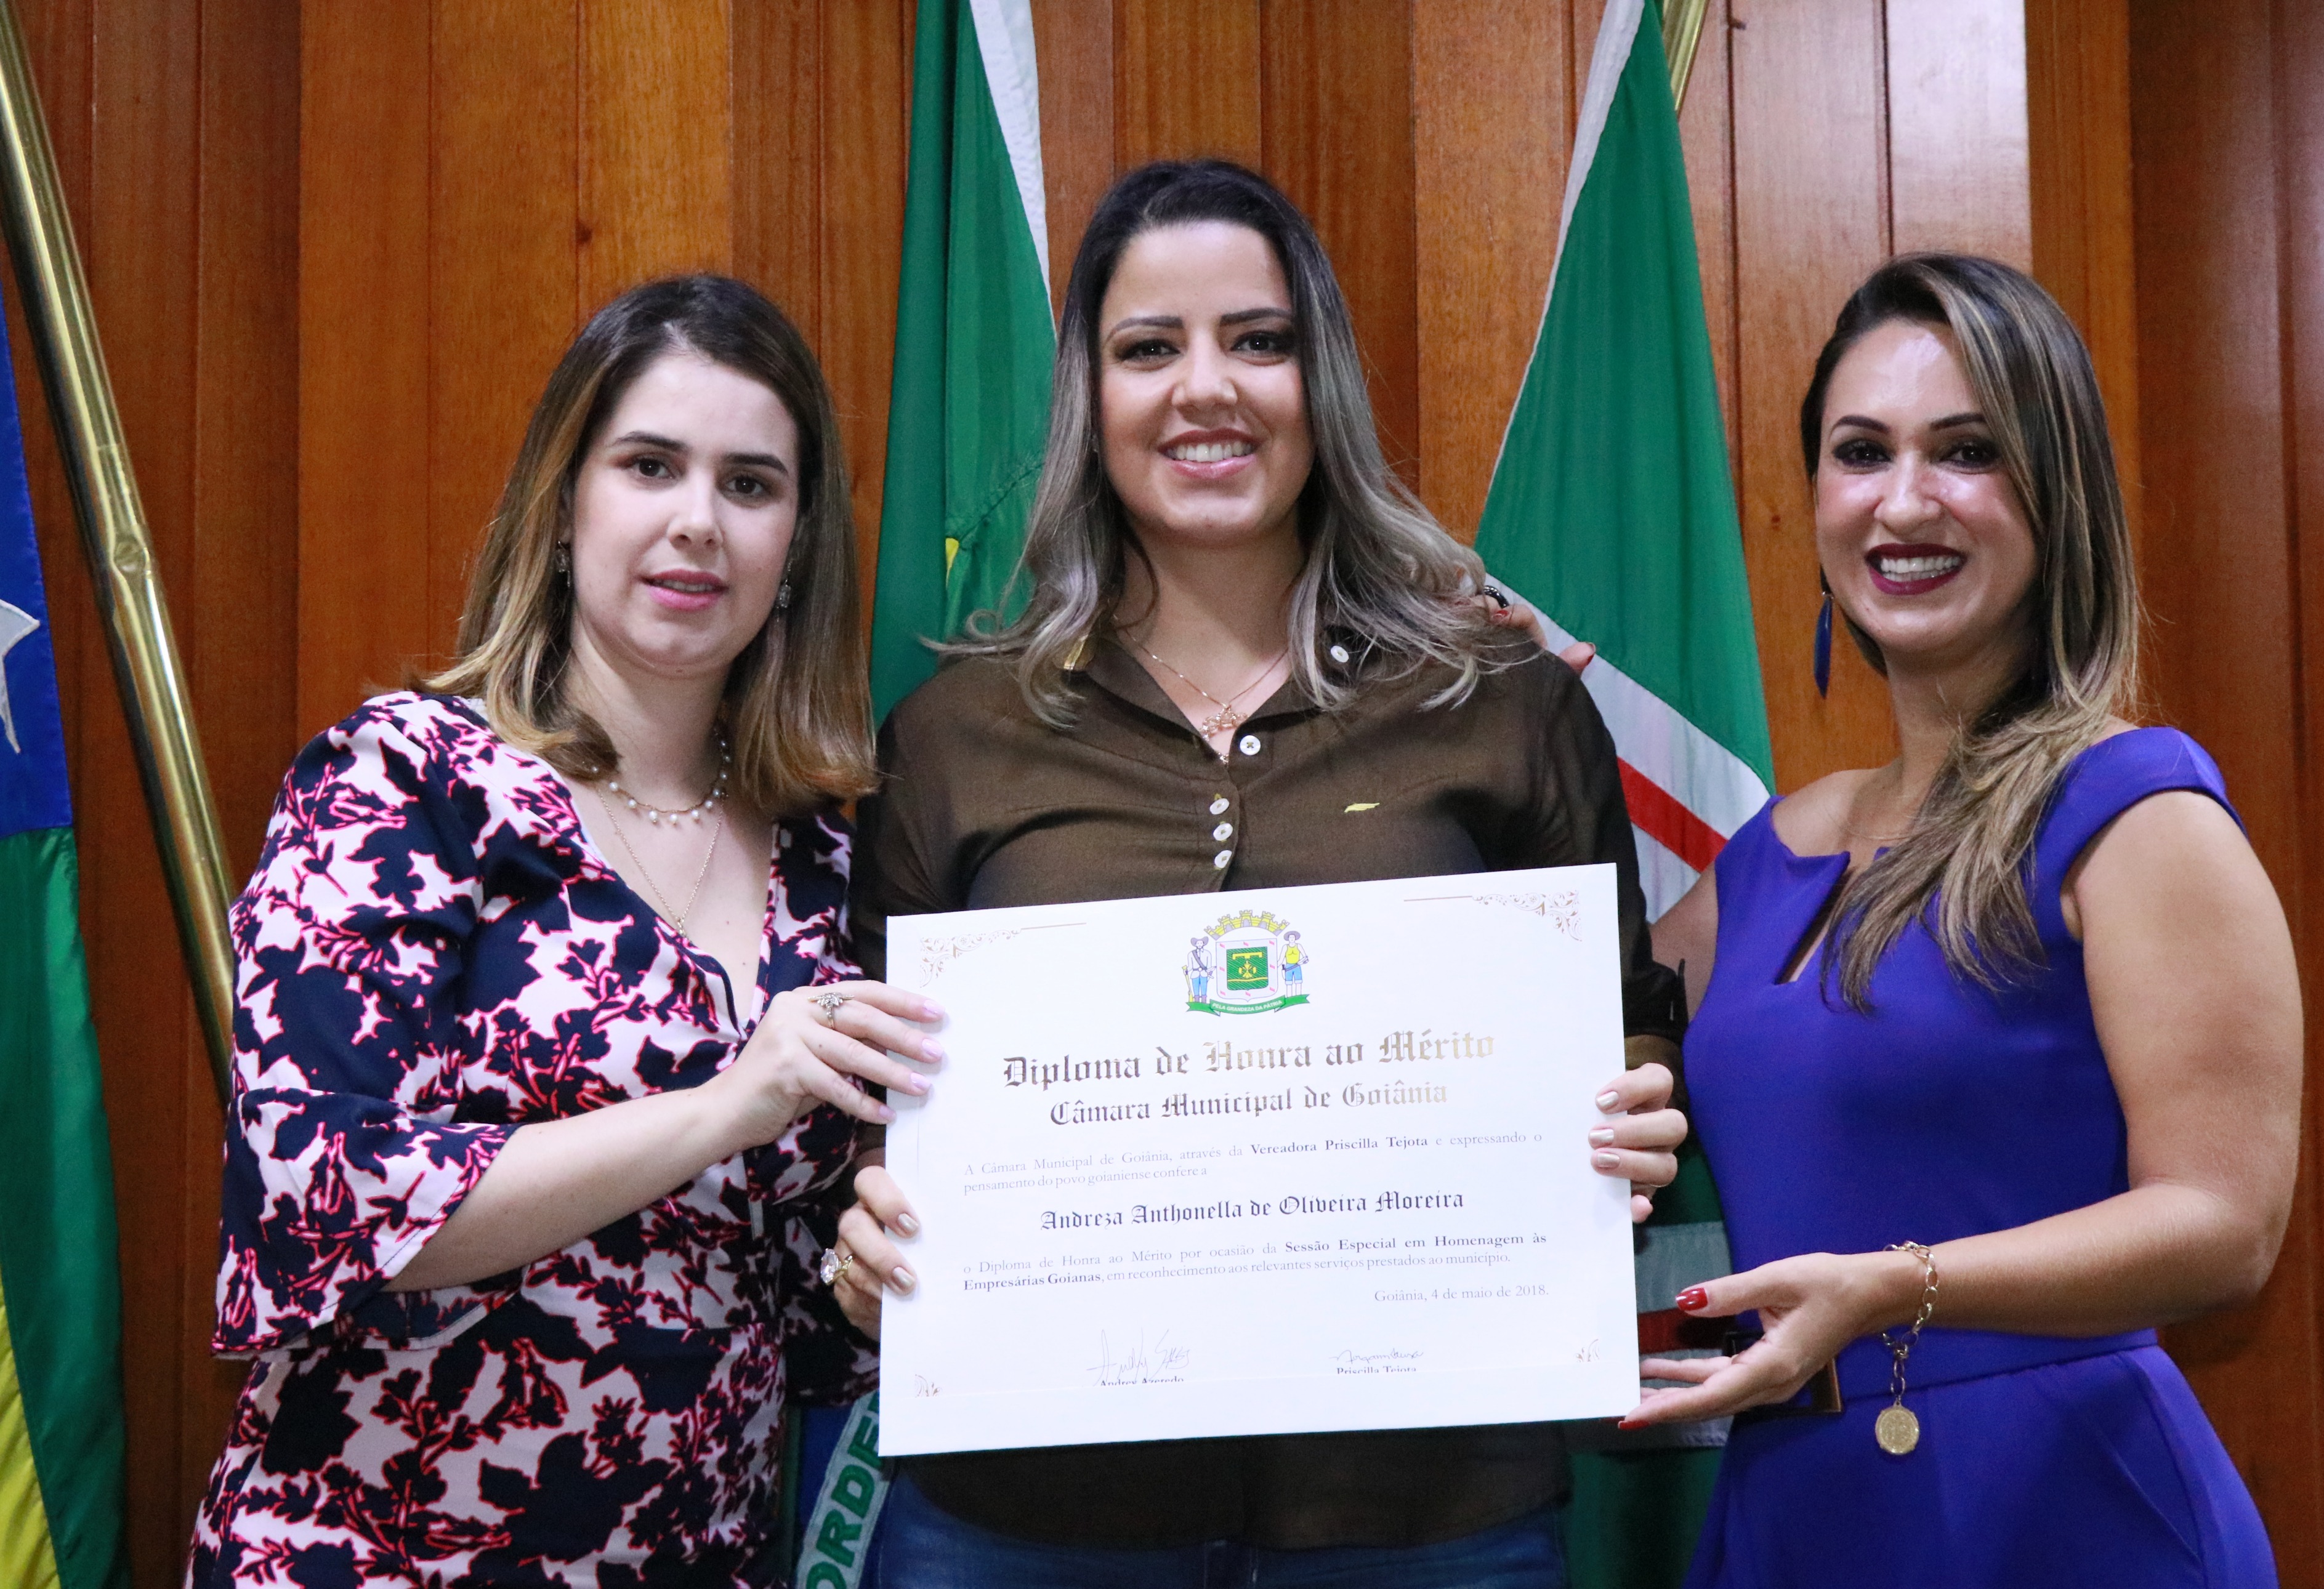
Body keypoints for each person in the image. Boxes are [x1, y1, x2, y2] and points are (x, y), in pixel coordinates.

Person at [828, 159, 1687, 1587]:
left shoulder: (1498, 702)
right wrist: (872, 1228)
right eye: (1147, 348)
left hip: (1426, 1515)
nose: (1204, 388)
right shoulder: (952, 737)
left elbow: (1626, 1017)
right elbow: (880, 1099)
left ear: (1319, 379)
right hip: (1029, 1521)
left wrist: (1633, 1112)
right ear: (1088, 398)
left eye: (1258, 340)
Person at [191, 276, 939, 1585]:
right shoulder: (403, 783)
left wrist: (861, 1283)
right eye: (650, 465)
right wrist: (726, 1104)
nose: (697, 521)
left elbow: (788, 1306)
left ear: (797, 545)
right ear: (563, 505)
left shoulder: (829, 861)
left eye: (750, 484)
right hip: (372, 1555)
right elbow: (321, 1198)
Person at [1629, 254, 2296, 1587]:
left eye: (1967, 451)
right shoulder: (1770, 853)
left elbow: (2227, 1223)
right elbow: (1567, 1047)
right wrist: (1512, 720)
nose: (1903, 501)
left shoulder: (2135, 809)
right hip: (1796, 1511)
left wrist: (1892, 1284)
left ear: (2058, 493)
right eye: (1860, 451)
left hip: (2063, 1507)